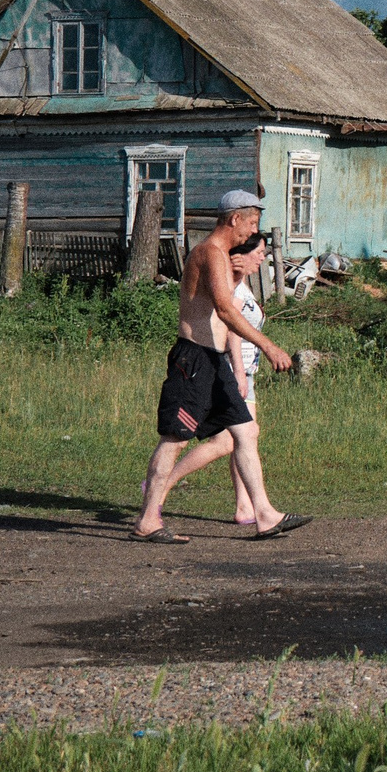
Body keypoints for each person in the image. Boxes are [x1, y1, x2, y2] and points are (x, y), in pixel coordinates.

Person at [132, 190, 310, 543]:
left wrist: (239, 275)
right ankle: (148, 520)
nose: (252, 232)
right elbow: (227, 311)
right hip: (193, 360)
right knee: (175, 439)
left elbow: (224, 311)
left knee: (245, 432)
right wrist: (268, 345)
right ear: (234, 220)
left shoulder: (222, 257)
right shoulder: (208, 253)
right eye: (252, 223)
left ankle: (264, 514)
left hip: (215, 362)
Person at [153, 233, 275, 525]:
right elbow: (228, 326)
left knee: (245, 436)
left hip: (243, 371)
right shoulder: (231, 286)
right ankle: (162, 486)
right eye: (259, 252)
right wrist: (238, 371)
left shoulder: (242, 285)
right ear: (241, 254)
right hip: (229, 370)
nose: (262, 257)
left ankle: (248, 507)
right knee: (220, 441)